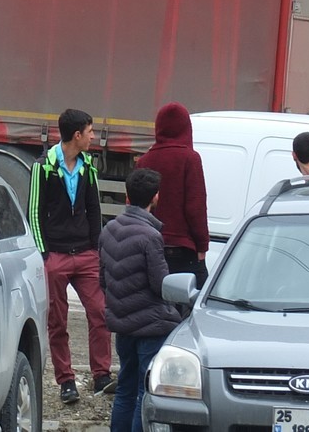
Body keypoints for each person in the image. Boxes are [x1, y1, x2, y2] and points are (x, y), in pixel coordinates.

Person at [29, 108, 114, 404]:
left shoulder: (88, 167)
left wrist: (96, 249)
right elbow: (34, 213)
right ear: (77, 135)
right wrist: (44, 255)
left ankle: (101, 375)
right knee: (58, 321)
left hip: (87, 255)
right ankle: (66, 381)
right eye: (90, 132)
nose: (93, 137)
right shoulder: (43, 167)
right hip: (56, 256)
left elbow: (95, 212)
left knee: (100, 313)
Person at [99, 168, 182, 432]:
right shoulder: (151, 236)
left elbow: (103, 279)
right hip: (150, 326)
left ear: (127, 195)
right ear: (155, 197)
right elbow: (161, 285)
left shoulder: (109, 229)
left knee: (124, 389)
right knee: (144, 392)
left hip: (122, 326)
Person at [135, 102, 210, 287]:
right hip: (183, 250)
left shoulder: (144, 160)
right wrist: (202, 246)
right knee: (188, 306)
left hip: (150, 246)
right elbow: (195, 207)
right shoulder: (190, 159)